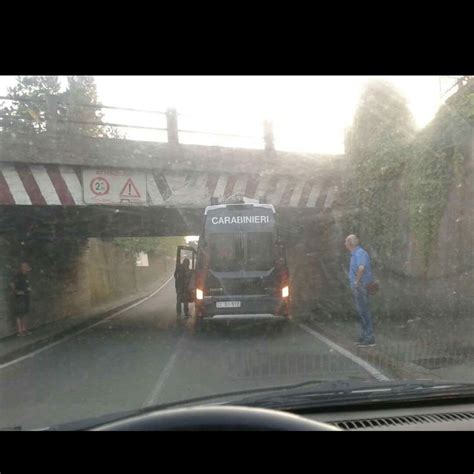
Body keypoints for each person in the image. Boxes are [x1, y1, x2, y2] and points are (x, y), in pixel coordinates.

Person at [344, 235, 376, 347]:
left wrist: (356, 282)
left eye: (346, 242)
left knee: (364, 311)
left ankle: (369, 337)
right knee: (362, 312)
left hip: (361, 286)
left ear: (350, 244)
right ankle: (364, 335)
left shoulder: (360, 253)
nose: (345, 245)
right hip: (359, 287)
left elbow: (361, 268)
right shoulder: (354, 254)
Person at [10, 262, 32, 337]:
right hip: (19, 297)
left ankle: (24, 330)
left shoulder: (26, 276)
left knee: (25, 313)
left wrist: (28, 289)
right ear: (21, 267)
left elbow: (26, 285)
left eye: (27, 266)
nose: (27, 268)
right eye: (25, 266)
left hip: (26, 296)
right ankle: (19, 332)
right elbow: (12, 284)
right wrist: (16, 292)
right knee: (19, 314)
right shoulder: (17, 275)